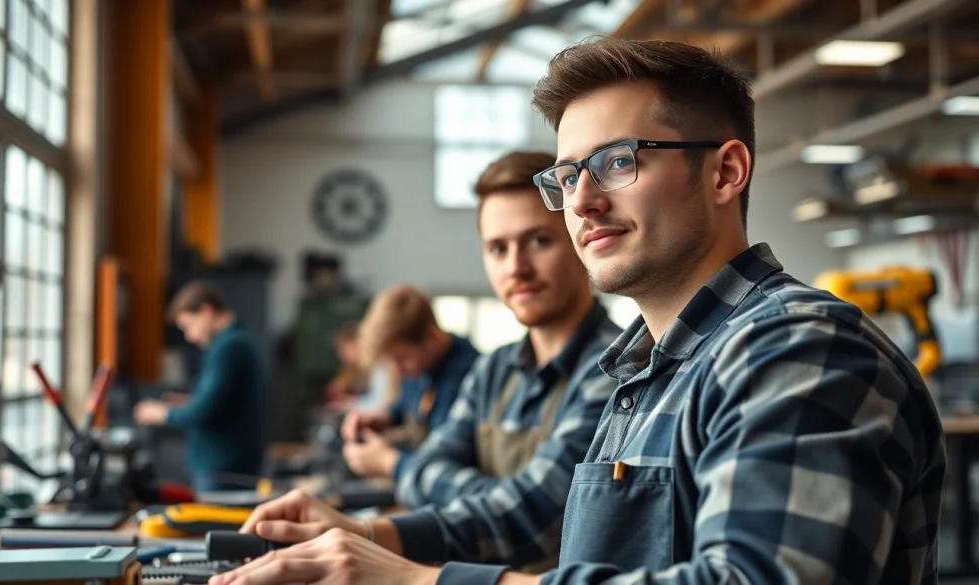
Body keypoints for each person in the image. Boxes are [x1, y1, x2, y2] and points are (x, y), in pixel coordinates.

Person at [208, 38, 946, 585]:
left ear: (725, 171)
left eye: (619, 161)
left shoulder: (799, 350)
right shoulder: (641, 372)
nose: (583, 201)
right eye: (566, 176)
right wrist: (365, 535)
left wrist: (414, 578)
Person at [210, 149, 621, 580]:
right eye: (497, 248)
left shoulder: (618, 371)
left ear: (578, 234)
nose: (516, 267)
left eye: (538, 240)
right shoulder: (494, 371)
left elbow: (530, 514)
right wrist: (357, 531)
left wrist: (385, 508)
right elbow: (439, 461)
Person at [134, 280, 269, 493]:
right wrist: (187, 402)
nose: (190, 336)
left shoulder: (229, 346)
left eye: (189, 326)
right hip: (231, 463)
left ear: (206, 311)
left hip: (223, 467)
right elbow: (225, 404)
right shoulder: (238, 341)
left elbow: (204, 411)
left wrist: (160, 413)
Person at [340, 285, 480, 482]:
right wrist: (379, 418)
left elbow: (443, 460)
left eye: (402, 358)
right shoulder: (421, 368)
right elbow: (405, 404)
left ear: (431, 336)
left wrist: (387, 461)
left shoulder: (469, 375)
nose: (397, 370)